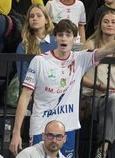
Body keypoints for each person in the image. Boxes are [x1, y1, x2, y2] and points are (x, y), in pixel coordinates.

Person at [9, 19, 115, 157]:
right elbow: (24, 97)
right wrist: (16, 133)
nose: (64, 38)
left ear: (75, 38)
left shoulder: (80, 58)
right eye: (60, 35)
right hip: (41, 128)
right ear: (55, 37)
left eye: (68, 34)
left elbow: (108, 48)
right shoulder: (39, 61)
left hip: (67, 129)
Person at [82, 10, 115, 158]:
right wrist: (100, 86)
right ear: (100, 25)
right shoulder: (89, 44)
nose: (110, 25)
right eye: (106, 21)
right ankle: (104, 147)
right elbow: (79, 76)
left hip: (112, 98)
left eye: (114, 22)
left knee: (113, 100)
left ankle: (104, 146)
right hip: (92, 96)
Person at [16, 3, 57, 82]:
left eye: (39, 15)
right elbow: (23, 76)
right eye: (31, 16)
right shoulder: (23, 46)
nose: (34, 18)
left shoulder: (56, 42)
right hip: (32, 90)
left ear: (46, 20)